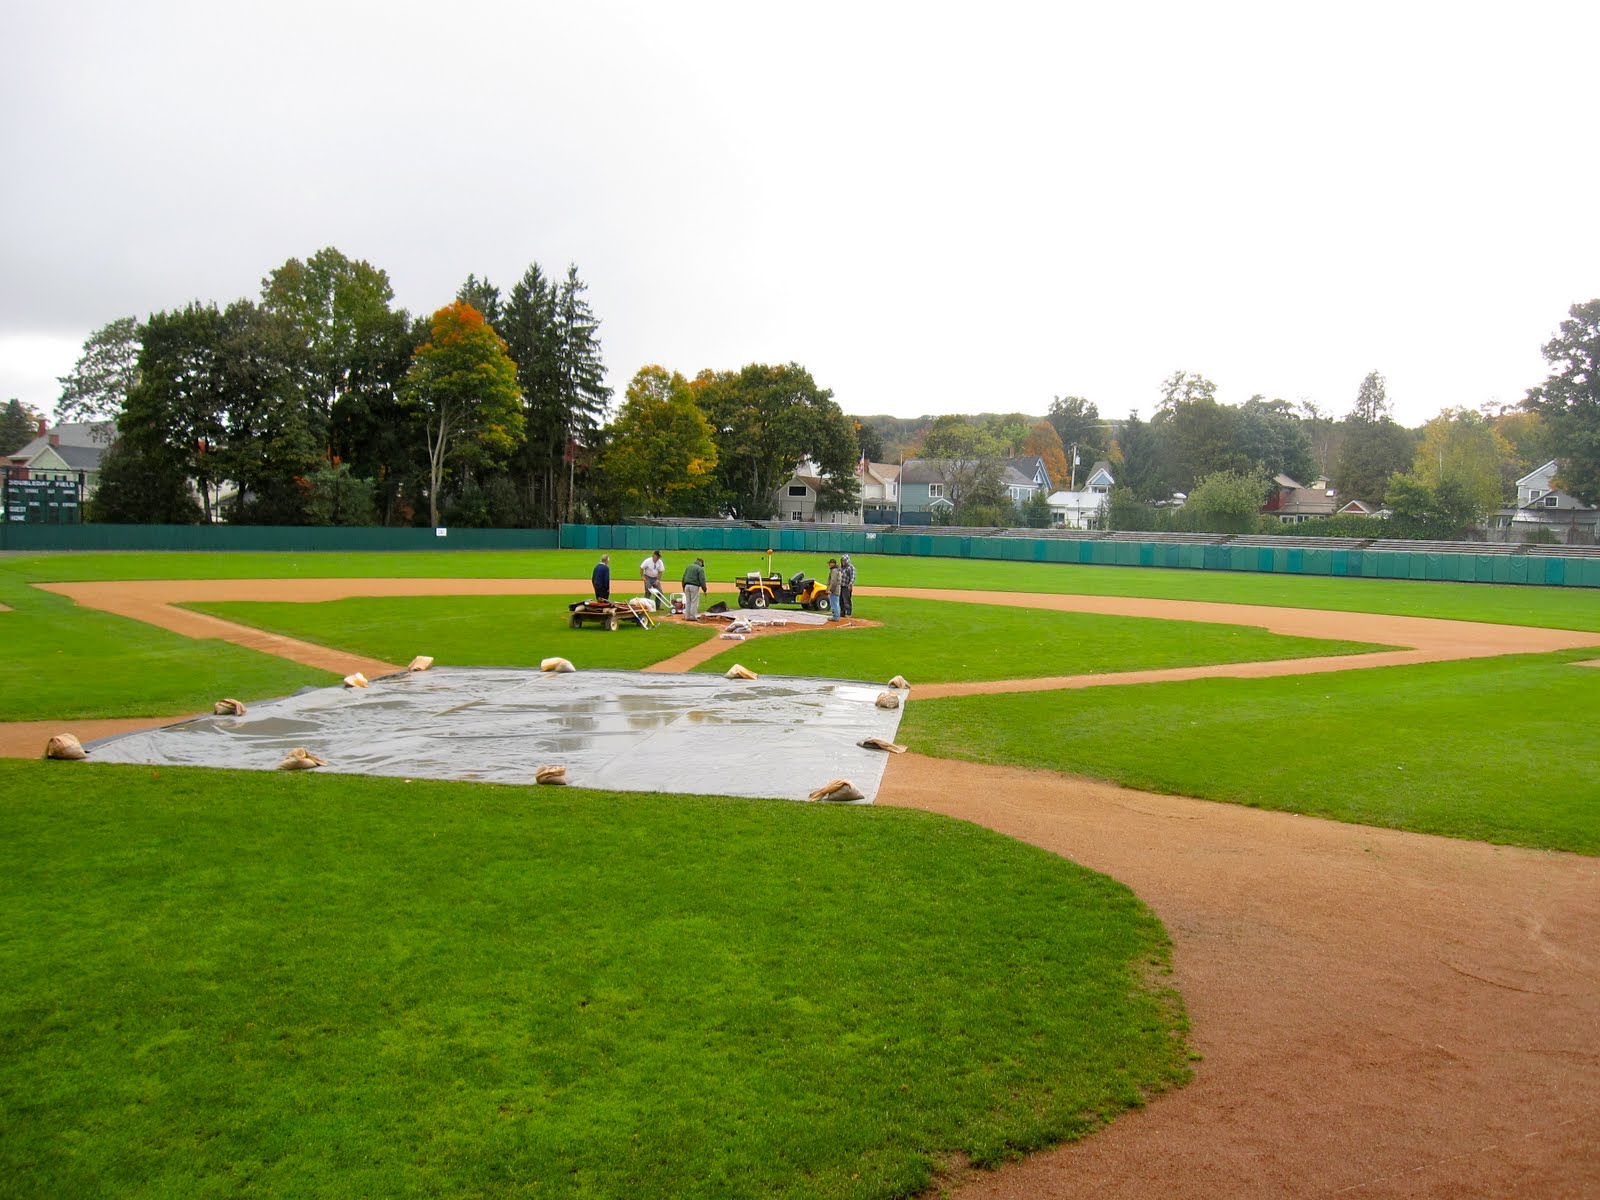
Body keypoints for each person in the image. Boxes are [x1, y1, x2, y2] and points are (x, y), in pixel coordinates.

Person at [681, 556, 708, 621]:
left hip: (687, 586)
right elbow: (702, 580)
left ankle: (687, 616)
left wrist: (683, 586)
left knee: (688, 601)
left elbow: (684, 577)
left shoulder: (689, 566)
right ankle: (693, 616)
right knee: (694, 601)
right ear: (701, 563)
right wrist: (704, 589)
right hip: (694, 587)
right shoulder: (699, 569)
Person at [838, 553, 856, 617]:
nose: (843, 562)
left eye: (844, 561)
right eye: (842, 561)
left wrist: (850, 584)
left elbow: (853, 577)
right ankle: (842, 613)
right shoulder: (841, 567)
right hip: (841, 586)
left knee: (846, 600)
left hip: (846, 587)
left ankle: (848, 613)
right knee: (841, 600)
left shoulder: (851, 568)